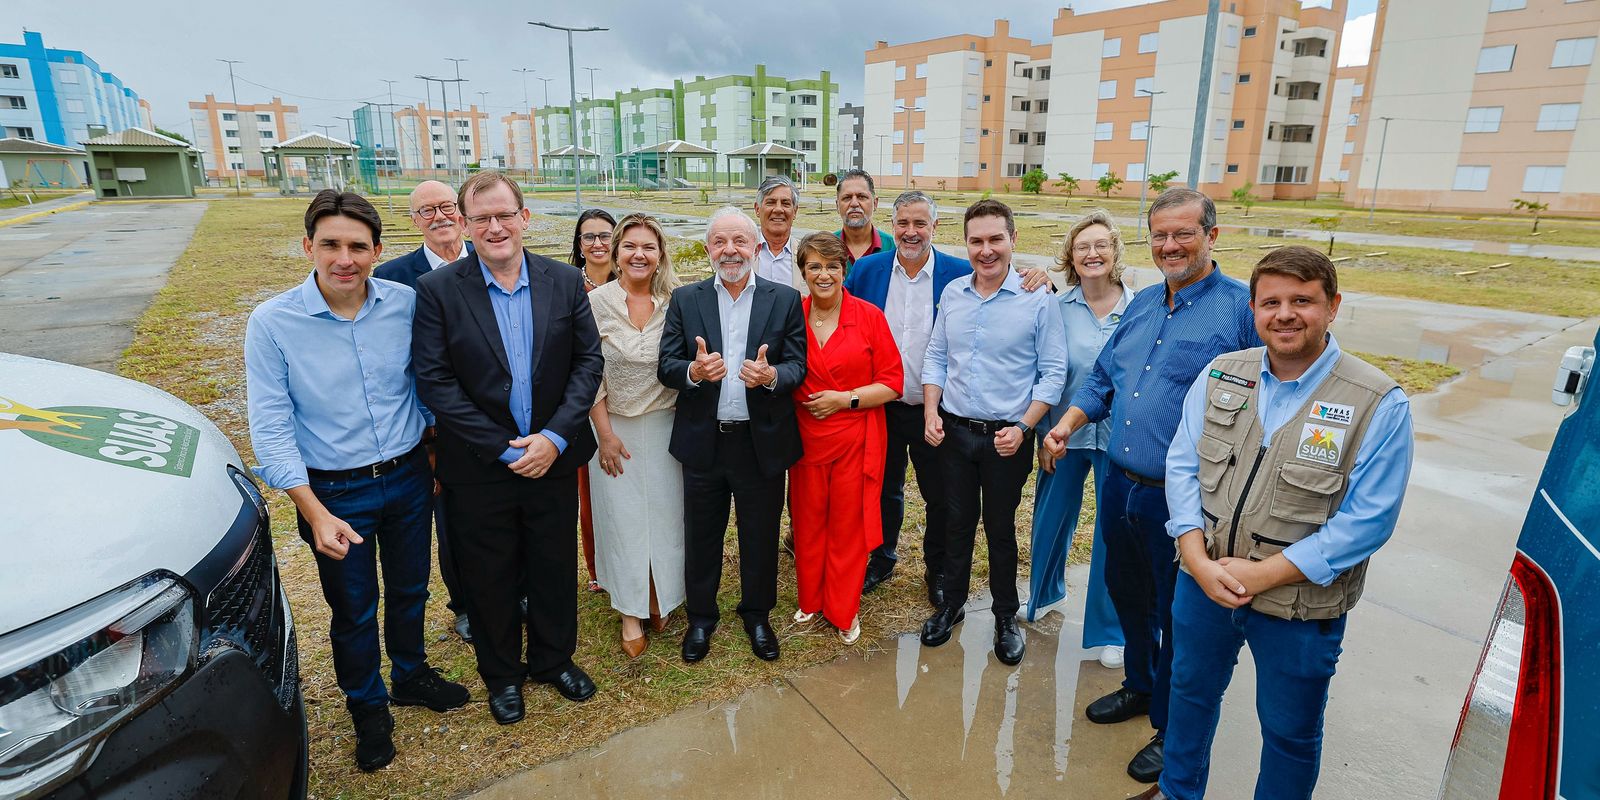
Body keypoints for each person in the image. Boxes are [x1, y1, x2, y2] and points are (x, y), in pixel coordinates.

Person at [1131, 246, 1414, 800]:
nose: (1285, 314)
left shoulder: (1376, 402)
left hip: (1300, 604)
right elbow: (1183, 465)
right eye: (1271, 303)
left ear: (1333, 307)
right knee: (1189, 696)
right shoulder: (1221, 374)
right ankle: (1176, 791)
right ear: (1254, 310)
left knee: (1289, 731)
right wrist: (1194, 557)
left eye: (1301, 301)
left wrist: (1264, 575)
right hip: (1205, 581)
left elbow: (1368, 521)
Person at [1042, 187, 1260, 783]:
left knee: (1178, 612)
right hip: (1121, 483)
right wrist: (1065, 426)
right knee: (1128, 593)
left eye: (1183, 233)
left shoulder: (1238, 310)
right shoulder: (1141, 304)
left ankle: (1172, 725)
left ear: (1211, 235)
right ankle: (1140, 684)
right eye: (1160, 235)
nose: (1170, 245)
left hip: (1184, 497)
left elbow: (1268, 398)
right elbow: (1104, 379)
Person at [245, 190, 468, 772]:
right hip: (335, 492)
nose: (344, 259)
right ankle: (368, 707)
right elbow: (270, 427)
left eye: (357, 247)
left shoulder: (405, 303)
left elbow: (427, 381)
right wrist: (314, 512)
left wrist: (436, 454)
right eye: (331, 245)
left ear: (377, 251)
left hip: (409, 475)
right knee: (353, 609)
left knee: (412, 589)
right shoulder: (273, 323)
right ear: (308, 247)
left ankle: (411, 674)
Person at [411, 171, 605, 726]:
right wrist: (503, 448)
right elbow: (436, 382)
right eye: (481, 218)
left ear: (524, 217)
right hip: (480, 465)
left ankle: (553, 659)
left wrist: (555, 437)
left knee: (552, 564)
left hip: (553, 458)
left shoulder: (563, 281)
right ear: (465, 224)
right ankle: (501, 675)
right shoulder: (438, 290)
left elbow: (587, 362)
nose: (494, 227)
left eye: (504, 215)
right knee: (488, 574)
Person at [846, 191, 1053, 604]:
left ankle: (938, 569)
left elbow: (1002, 277)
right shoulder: (868, 270)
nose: (911, 232)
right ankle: (881, 557)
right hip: (880, 406)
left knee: (941, 495)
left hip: (936, 412)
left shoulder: (959, 274)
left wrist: (1044, 277)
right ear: (892, 226)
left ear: (935, 227)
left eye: (920, 223)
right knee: (881, 487)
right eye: (903, 223)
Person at [918, 199, 1067, 666]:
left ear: (1013, 239)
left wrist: (1024, 427)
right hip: (955, 433)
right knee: (957, 523)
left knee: (1000, 529)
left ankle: (1005, 617)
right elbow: (936, 356)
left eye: (995, 239)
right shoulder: (953, 293)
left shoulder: (1038, 299)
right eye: (976, 241)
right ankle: (952, 605)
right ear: (966, 244)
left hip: (1008, 438)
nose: (986, 250)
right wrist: (930, 411)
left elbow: (1053, 372)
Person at [657, 206, 807, 664]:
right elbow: (666, 365)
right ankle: (701, 619)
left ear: (756, 247)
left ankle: (757, 615)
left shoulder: (784, 299)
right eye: (720, 241)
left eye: (739, 241)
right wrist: (694, 371)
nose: (730, 250)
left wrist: (772, 376)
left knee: (760, 534)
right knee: (702, 535)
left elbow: (798, 365)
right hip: (704, 440)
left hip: (760, 442)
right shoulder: (686, 299)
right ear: (708, 249)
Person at [1026, 209, 1133, 673]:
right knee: (1050, 519)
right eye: (1083, 246)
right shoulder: (1054, 306)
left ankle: (1112, 631)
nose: (1092, 254)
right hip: (1061, 434)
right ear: (1070, 256)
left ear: (1115, 252)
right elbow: (1043, 370)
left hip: (1119, 438)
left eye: (1101, 245)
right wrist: (1041, 434)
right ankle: (1044, 594)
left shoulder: (1140, 308)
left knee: (1112, 534)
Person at [789, 232, 903, 643]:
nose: (824, 275)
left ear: (844, 270)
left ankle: (843, 608)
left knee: (847, 525)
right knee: (807, 520)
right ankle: (811, 598)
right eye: (814, 266)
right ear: (803, 273)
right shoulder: (791, 315)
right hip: (806, 438)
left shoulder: (869, 316)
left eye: (832, 266)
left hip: (856, 436)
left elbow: (893, 383)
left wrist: (845, 399)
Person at [375, 179, 474, 643]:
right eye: (427, 210)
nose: (440, 217)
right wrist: (428, 430)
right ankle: (465, 603)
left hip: (499, 415)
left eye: (447, 207)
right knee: (451, 517)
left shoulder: (491, 259)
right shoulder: (394, 278)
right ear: (414, 220)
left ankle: (515, 590)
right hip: (436, 423)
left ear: (462, 212)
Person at [587, 213, 685, 658]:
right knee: (623, 521)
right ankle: (630, 610)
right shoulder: (596, 303)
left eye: (648, 246)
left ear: (660, 253)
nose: (639, 254)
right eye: (630, 246)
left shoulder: (676, 301)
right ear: (616, 253)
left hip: (666, 425)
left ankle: (661, 595)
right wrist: (605, 434)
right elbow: (588, 371)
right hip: (614, 427)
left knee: (666, 517)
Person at [569, 208, 618, 594]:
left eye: (606, 236)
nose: (598, 243)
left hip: (630, 398)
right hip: (584, 399)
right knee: (590, 488)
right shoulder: (569, 286)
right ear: (579, 243)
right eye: (590, 236)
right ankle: (597, 566)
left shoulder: (632, 280)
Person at [832, 168, 894, 267]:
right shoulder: (826, 247)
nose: (854, 203)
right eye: (847, 198)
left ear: (875, 203)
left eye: (861, 197)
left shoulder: (892, 248)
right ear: (837, 205)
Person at [753, 175, 802, 289]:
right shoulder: (744, 254)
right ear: (757, 209)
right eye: (771, 202)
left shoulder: (806, 254)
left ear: (795, 211)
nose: (778, 209)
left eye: (785, 203)